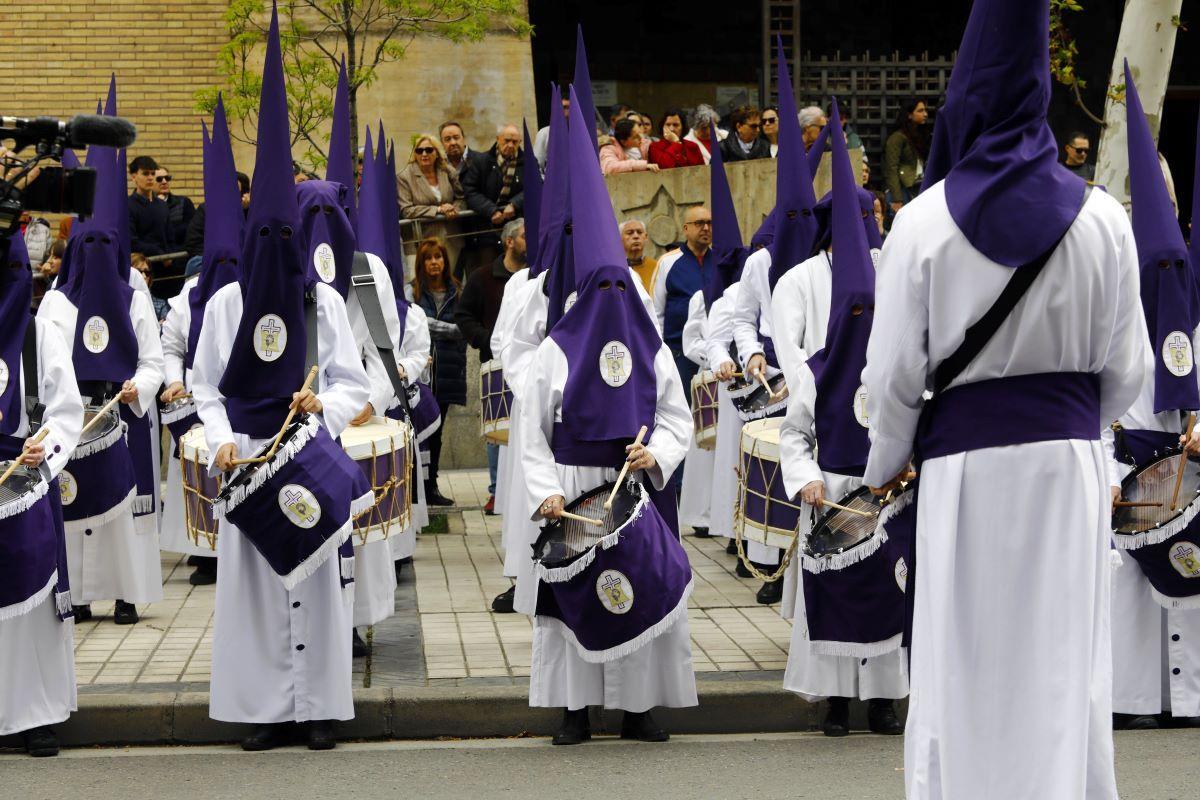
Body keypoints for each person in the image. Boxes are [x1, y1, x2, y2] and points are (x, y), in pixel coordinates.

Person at [862, 1, 1143, 796]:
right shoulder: (1104, 221)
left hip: (965, 477)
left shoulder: (920, 224)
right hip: (1068, 469)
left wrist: (886, 461)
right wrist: (1068, 422)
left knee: (965, 663)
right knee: (1064, 662)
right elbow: (1127, 373)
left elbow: (891, 380)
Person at [190, 10, 371, 751]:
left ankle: (321, 709)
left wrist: (319, 400)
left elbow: (354, 382)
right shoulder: (227, 301)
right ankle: (267, 713)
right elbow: (203, 386)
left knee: (320, 588)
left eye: (283, 239)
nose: (273, 248)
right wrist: (226, 438)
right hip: (248, 464)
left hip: (306, 455)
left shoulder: (321, 299)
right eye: (261, 237)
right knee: (258, 593)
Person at [520, 89, 696, 745]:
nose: (614, 298)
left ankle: (637, 707)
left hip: (636, 489)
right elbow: (533, 432)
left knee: (640, 587)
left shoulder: (652, 353)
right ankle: (574, 708)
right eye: (604, 288)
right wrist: (544, 493)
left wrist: (661, 455)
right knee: (574, 601)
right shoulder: (555, 354)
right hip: (574, 487)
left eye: (623, 285)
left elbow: (676, 418)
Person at [776, 98, 907, 738]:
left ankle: (883, 699)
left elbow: (913, 416)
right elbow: (796, 432)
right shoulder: (815, 369)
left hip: (883, 490)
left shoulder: (895, 365)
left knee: (884, 588)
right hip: (831, 489)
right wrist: (807, 477)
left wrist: (904, 469)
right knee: (831, 593)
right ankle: (834, 700)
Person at [1107, 63, 1200, 732]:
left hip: (1191, 462)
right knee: (1130, 591)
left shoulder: (1187, 285)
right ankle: (1136, 699)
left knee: (1193, 586)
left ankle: (1191, 697)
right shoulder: (1109, 296)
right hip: (1129, 462)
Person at [0, 234, 84, 758]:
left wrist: (42, 454)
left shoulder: (39, 333)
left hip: (26, 480)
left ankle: (37, 716)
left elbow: (66, 411)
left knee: (32, 607)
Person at [159, 100, 242, 587]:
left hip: (240, 403)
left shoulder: (253, 299)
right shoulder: (187, 296)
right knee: (195, 474)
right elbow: (171, 346)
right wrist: (175, 381)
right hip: (195, 400)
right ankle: (201, 549)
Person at [456, 218, 527, 513]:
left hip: (530, 363)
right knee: (497, 429)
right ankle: (497, 491)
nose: (530, 241)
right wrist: (486, 340)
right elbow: (463, 315)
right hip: (495, 363)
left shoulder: (538, 277)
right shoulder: (482, 277)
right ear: (509, 241)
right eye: (525, 236)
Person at [411, 238, 465, 506]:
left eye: (439, 257)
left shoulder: (457, 290)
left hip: (448, 371)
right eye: (429, 258)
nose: (434, 262)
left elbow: (464, 324)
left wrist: (431, 325)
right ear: (421, 263)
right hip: (420, 373)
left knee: (437, 431)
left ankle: (431, 485)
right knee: (420, 431)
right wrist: (451, 330)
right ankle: (418, 486)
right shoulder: (413, 292)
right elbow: (416, 322)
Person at [653, 206, 712, 394]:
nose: (705, 228)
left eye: (709, 223)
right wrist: (660, 356)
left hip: (717, 355)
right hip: (679, 355)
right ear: (686, 228)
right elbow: (656, 313)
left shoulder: (722, 260)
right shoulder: (667, 262)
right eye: (699, 223)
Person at [462, 123, 525, 274]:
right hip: (488, 230)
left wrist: (514, 204)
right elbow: (470, 190)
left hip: (518, 229)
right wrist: (491, 210)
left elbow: (535, 188)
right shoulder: (482, 161)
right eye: (506, 140)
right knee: (490, 273)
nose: (510, 145)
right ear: (498, 139)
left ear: (520, 143)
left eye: (514, 142)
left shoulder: (528, 162)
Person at [397, 135, 467, 269]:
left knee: (451, 283)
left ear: (437, 152)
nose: (424, 154)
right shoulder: (404, 176)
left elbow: (461, 197)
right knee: (422, 286)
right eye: (419, 150)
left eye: (429, 150)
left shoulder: (447, 171)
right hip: (420, 242)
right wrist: (439, 210)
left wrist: (454, 209)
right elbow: (407, 210)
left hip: (450, 238)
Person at [883, 99, 930, 217]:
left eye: (925, 110)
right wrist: (897, 198)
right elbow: (891, 168)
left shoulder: (920, 135)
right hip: (904, 189)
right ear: (909, 114)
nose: (925, 114)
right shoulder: (897, 138)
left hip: (919, 187)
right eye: (920, 110)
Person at [127, 155, 170, 258]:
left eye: (153, 173)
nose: (150, 178)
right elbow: (131, 241)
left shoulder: (162, 205)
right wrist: (158, 252)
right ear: (134, 177)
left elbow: (170, 238)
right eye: (145, 174)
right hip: (141, 265)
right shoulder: (127, 206)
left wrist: (169, 256)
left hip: (166, 263)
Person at [154, 167, 195, 252]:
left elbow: (190, 231)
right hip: (152, 256)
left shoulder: (184, 202)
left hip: (179, 255)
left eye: (167, 178)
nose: (164, 182)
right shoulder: (144, 206)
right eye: (159, 179)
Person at [621, 219, 657, 296]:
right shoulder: (616, 268)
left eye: (640, 232)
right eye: (629, 233)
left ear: (646, 237)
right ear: (619, 238)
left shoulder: (656, 267)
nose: (636, 236)